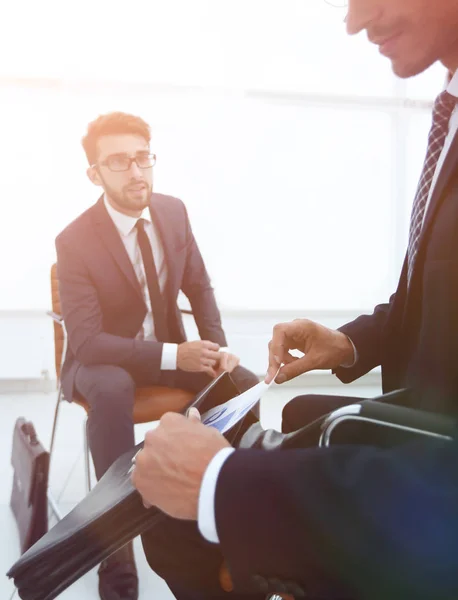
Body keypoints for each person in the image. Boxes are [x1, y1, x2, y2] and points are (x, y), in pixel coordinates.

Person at [131, 0, 458, 598]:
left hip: (432, 476)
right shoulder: (451, 116)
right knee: (259, 424)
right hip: (420, 423)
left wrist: (223, 485)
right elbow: (431, 291)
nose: (355, 22)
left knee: (179, 517)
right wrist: (351, 342)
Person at [55, 111, 259, 600]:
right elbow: (87, 342)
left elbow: (200, 287)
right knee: (112, 387)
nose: (136, 172)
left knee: (243, 381)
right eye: (119, 162)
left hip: (172, 350)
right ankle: (115, 555)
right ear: (95, 174)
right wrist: (173, 356)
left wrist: (218, 348)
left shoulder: (173, 212)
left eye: (142, 158)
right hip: (100, 362)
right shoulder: (75, 240)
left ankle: (229, 513)